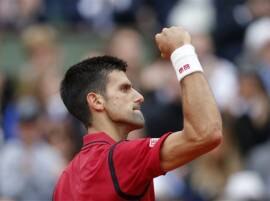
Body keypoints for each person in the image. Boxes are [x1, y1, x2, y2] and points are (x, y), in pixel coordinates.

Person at [53, 26, 223, 201]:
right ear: (96, 101)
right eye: (125, 89)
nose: (139, 97)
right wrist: (182, 52)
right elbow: (206, 133)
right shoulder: (121, 157)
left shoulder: (65, 179)